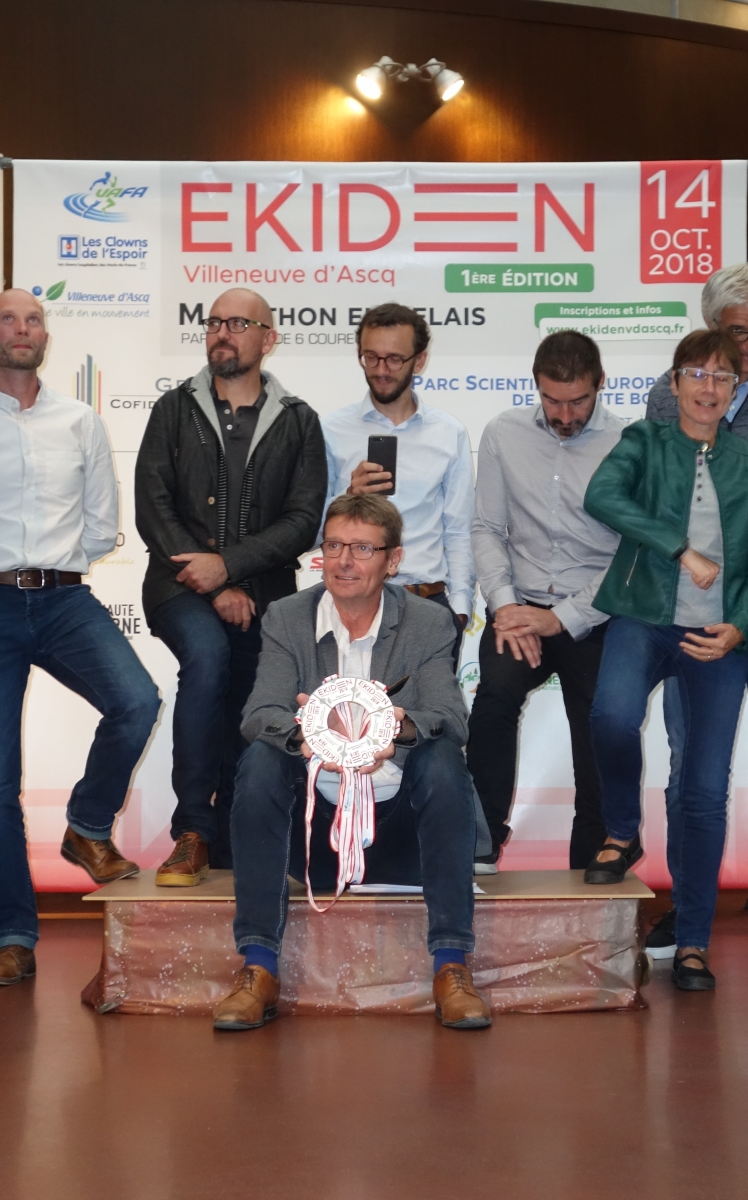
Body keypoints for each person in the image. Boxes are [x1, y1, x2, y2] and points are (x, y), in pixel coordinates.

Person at [0, 289, 162, 987]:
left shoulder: (80, 420)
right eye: (7, 319)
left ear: (46, 335)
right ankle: (13, 935)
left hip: (65, 599)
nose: (23, 328)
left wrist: (54, 564)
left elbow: (102, 526)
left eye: (34, 319)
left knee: (137, 700)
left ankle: (86, 827)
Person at [214, 494, 490, 1031]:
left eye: (363, 548)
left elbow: (451, 719)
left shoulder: (429, 622)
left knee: (440, 759)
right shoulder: (287, 616)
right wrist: (309, 737)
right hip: (314, 840)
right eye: (334, 545)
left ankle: (452, 966)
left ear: (394, 560)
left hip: (403, 834)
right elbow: (259, 714)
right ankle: (258, 967)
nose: (344, 561)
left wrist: (395, 727)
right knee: (261, 759)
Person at [582, 329, 748, 992]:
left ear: (734, 390)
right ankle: (623, 831)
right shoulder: (644, 440)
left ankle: (693, 941)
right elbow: (602, 497)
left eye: (721, 377)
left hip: (716, 638)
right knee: (612, 716)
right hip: (644, 615)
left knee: (703, 790)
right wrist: (679, 549)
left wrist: (739, 628)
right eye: (695, 374)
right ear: (674, 384)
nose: (707, 388)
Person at [642, 263, 748, 960]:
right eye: (736, 332)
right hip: (693, 617)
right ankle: (686, 914)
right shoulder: (668, 395)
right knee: (692, 774)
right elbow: (657, 500)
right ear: (710, 327)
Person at [136, 288, 327, 886]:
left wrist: (231, 567)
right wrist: (214, 582)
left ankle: (246, 833)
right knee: (208, 655)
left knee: (256, 697)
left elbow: (303, 520)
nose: (222, 332)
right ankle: (193, 830)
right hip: (178, 585)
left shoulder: (298, 419)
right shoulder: (173, 409)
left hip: (267, 593)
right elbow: (153, 505)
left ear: (268, 339)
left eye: (238, 323)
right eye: (214, 321)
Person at [467, 331, 623, 872]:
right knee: (493, 699)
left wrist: (563, 618)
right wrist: (506, 607)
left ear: (600, 384)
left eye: (577, 401)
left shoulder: (628, 443)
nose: (564, 415)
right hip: (520, 608)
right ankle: (481, 841)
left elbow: (631, 552)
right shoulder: (502, 433)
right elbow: (487, 528)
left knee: (599, 722)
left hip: (595, 614)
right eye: (552, 400)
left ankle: (592, 858)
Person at [322, 304, 475, 656]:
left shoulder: (448, 433)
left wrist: (460, 609)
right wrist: (348, 497)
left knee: (428, 698)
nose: (381, 370)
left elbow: (459, 531)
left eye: (394, 359)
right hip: (348, 603)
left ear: (419, 361)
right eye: (371, 357)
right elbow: (310, 533)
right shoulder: (330, 430)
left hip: (427, 604)